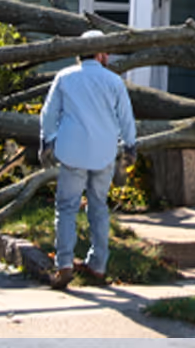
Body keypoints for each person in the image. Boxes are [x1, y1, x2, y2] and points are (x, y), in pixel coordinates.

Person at [39, 29, 136, 289]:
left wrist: (47, 140)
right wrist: (130, 146)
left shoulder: (64, 77)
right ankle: (98, 265)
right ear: (100, 53)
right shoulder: (113, 81)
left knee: (66, 207)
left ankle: (64, 263)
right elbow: (126, 117)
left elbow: (49, 113)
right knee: (98, 207)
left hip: (72, 151)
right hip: (104, 152)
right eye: (107, 52)